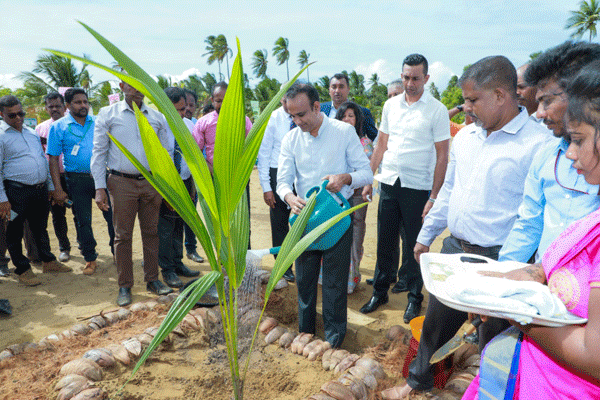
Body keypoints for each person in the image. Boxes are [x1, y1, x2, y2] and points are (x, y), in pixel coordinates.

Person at [380, 56, 551, 399]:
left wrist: (508, 274)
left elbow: (534, 217)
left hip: (501, 262)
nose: (465, 108)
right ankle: (417, 386)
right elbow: (449, 192)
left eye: (473, 100)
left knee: (495, 341)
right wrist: (426, 235)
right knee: (434, 327)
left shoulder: (537, 144)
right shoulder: (466, 138)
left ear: (502, 96)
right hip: (455, 253)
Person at [462, 59, 600, 400]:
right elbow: (529, 223)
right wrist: (511, 277)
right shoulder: (546, 158)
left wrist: (519, 314)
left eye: (579, 138)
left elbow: (593, 358)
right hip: (542, 348)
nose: (570, 153)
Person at [277, 83, 373, 348]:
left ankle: (333, 342)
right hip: (305, 223)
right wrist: (288, 196)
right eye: (292, 116)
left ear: (317, 107)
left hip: (336, 223)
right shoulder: (291, 139)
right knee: (305, 284)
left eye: (301, 115)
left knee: (334, 286)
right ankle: (305, 335)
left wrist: (345, 178)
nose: (297, 121)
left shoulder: (343, 132)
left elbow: (366, 173)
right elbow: (283, 181)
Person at [360, 54, 450, 321]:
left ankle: (414, 297)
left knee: (414, 246)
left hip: (419, 187)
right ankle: (379, 292)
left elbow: (442, 155)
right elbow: (381, 145)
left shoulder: (437, 110)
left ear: (426, 78)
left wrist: (434, 196)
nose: (410, 83)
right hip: (389, 182)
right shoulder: (391, 107)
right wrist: (369, 178)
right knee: (385, 242)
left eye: (416, 78)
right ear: (401, 76)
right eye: (406, 77)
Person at [500, 41, 600, 266]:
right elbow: (528, 225)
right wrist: (502, 275)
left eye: (547, 101)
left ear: (581, 94)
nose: (540, 113)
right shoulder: (545, 156)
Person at [91, 80, 174, 306]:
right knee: (122, 235)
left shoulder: (157, 117)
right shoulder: (108, 114)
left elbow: (165, 153)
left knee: (151, 232)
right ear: (121, 86)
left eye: (141, 84)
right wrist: (100, 188)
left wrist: (167, 188)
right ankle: (125, 285)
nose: (137, 89)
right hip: (121, 182)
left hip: (151, 183)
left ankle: (152, 280)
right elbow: (98, 151)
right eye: (131, 84)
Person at [0, 95, 71, 286]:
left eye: (20, 113)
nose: (18, 118)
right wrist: (2, 199)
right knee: (14, 231)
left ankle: (48, 261)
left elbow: (42, 161)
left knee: (40, 227)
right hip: (15, 192)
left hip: (39, 190)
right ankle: (22, 269)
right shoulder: (1, 136)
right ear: (2, 114)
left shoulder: (31, 133)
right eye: (12, 115)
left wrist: (49, 187)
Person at [47, 88, 115, 275]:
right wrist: (57, 188)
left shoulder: (98, 122)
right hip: (76, 179)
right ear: (68, 106)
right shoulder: (58, 127)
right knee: (83, 221)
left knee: (112, 217)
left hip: (102, 176)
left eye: (85, 102)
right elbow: (53, 159)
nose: (83, 105)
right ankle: (90, 258)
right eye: (78, 102)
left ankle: (117, 252)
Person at [158, 87, 200, 288]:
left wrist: (191, 186)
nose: (184, 113)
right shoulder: (158, 125)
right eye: (179, 109)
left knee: (179, 226)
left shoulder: (189, 126)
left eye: (185, 109)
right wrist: (165, 190)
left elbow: (191, 157)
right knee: (165, 228)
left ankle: (177, 262)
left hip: (184, 181)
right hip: (166, 183)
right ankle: (167, 269)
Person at [335, 101, 373, 294]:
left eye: (351, 116)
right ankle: (334, 277)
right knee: (337, 232)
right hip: (338, 195)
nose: (347, 119)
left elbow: (370, 169)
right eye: (343, 116)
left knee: (356, 234)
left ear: (357, 120)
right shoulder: (333, 142)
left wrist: (368, 185)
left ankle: (351, 279)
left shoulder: (364, 142)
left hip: (358, 194)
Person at [257, 97, 295, 282]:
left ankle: (301, 261)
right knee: (279, 223)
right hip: (277, 172)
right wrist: (267, 187)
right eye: (287, 99)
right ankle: (283, 265)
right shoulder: (273, 118)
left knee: (300, 221)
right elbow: (263, 153)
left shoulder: (304, 117)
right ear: (282, 99)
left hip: (299, 172)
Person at [33, 92, 73, 263]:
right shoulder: (40, 129)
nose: (55, 109)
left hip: (74, 176)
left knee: (80, 213)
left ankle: (85, 245)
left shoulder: (75, 125)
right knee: (58, 214)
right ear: (46, 108)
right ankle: (64, 247)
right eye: (51, 106)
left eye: (58, 105)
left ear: (65, 107)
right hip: (53, 178)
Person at [193, 82, 252, 173]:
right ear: (212, 100)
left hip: (238, 175)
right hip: (212, 175)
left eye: (227, 100)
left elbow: (251, 148)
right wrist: (212, 171)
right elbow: (196, 153)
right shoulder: (203, 123)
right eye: (218, 101)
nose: (223, 105)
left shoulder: (243, 121)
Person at [320, 73, 379, 141]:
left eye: (341, 87)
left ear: (348, 89)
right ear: (329, 90)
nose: (337, 91)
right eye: (334, 87)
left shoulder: (363, 112)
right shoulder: (320, 110)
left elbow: (375, 139)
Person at [181, 88, 203, 263]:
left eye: (191, 105)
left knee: (191, 216)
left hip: (190, 179)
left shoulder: (195, 126)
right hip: (171, 179)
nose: (188, 108)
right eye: (184, 105)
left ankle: (191, 248)